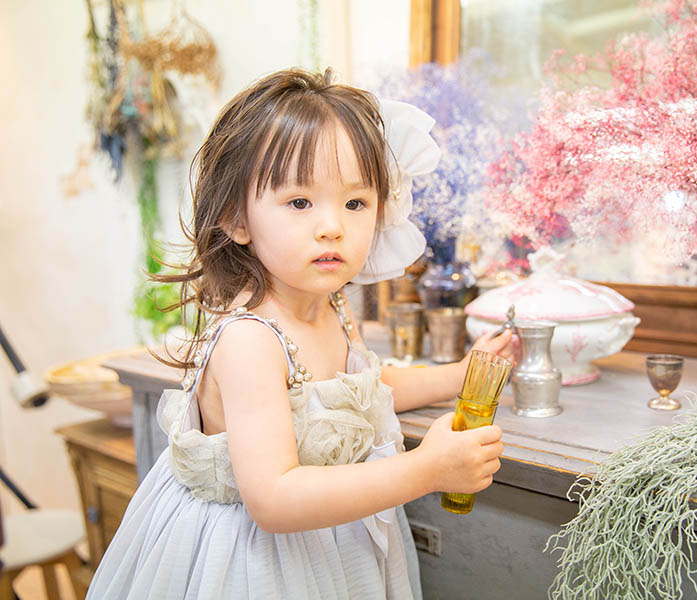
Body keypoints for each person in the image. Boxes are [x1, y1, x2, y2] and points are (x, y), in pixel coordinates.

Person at [86, 68, 515, 599]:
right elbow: (274, 498)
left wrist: (460, 374)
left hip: (332, 547)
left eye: (355, 203)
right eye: (299, 202)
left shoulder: (331, 304)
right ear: (237, 219)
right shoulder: (251, 340)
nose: (332, 226)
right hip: (258, 566)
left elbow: (363, 389)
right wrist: (426, 470)